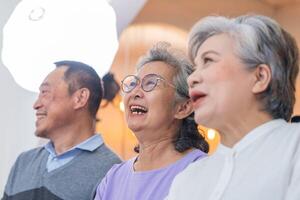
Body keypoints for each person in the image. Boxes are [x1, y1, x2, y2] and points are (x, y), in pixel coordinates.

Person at [166, 15, 300, 200]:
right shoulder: (187, 179)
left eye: (209, 60)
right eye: (195, 67)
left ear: (259, 77)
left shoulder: (294, 147)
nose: (191, 78)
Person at [94, 42, 209, 200]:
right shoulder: (113, 177)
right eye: (133, 83)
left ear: (183, 107)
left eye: (151, 83)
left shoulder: (202, 171)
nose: (135, 92)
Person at [2, 60, 121, 200]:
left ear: (80, 98)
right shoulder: (24, 162)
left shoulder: (113, 173)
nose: (36, 104)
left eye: (45, 92)